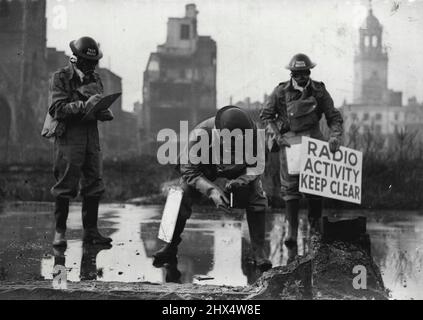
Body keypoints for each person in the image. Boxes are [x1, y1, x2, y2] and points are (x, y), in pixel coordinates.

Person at [153, 106, 272, 271]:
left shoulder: (254, 135)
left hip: (238, 170)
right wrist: (212, 191)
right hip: (205, 169)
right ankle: (169, 245)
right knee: (177, 195)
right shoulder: (200, 134)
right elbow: (188, 170)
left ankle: (259, 252)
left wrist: (241, 181)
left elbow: (257, 166)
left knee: (257, 196)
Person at [260, 53, 343, 248]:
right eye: (297, 73)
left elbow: (334, 117)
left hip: (314, 142)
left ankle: (315, 231)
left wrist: (334, 136)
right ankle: (291, 231)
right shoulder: (280, 92)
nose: (301, 77)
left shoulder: (319, 91)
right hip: (290, 144)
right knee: (290, 189)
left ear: (309, 72)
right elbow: (266, 115)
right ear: (291, 74)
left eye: (304, 73)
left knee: (316, 187)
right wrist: (277, 136)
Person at [48, 36, 114, 247]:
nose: (92, 67)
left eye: (94, 63)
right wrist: (85, 106)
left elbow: (95, 105)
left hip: (90, 137)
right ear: (76, 59)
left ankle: (91, 233)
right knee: (65, 185)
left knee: (94, 184)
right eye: (88, 62)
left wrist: (103, 111)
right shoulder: (61, 77)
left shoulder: (95, 78)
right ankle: (60, 233)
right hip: (69, 138)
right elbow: (57, 109)